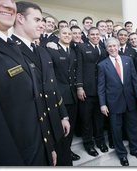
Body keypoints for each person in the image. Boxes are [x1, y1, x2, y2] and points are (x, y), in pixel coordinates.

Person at [0, 0, 64, 166]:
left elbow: (35, 103)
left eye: (12, 0)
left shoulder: (10, 45)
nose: (9, 5)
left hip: (37, 149)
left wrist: (48, 147)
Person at [12, 1, 70, 165]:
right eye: (37, 20)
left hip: (55, 123)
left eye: (42, 21)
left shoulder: (42, 51)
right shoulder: (10, 50)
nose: (42, 25)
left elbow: (52, 86)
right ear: (20, 18)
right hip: (35, 130)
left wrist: (63, 114)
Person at [97, 37, 137, 166]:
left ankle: (135, 150)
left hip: (130, 100)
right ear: (106, 49)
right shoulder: (102, 65)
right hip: (113, 102)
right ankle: (122, 154)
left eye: (114, 46)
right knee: (116, 130)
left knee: (133, 127)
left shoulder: (128, 60)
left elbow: (135, 79)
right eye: (110, 47)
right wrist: (102, 104)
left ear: (118, 46)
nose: (112, 48)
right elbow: (101, 86)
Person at [46, 27, 81, 162]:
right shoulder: (51, 49)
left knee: (70, 128)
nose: (67, 35)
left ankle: (68, 150)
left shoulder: (73, 51)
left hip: (73, 95)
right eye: (64, 33)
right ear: (58, 36)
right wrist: (49, 43)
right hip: (60, 96)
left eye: (69, 33)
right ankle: (62, 154)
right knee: (61, 128)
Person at [76, 27, 108, 157]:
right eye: (92, 34)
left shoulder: (103, 48)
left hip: (100, 89)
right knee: (87, 119)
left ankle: (100, 141)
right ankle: (88, 144)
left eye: (97, 34)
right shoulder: (82, 47)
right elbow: (79, 68)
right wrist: (79, 87)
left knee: (99, 118)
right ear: (87, 36)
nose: (95, 36)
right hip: (87, 90)